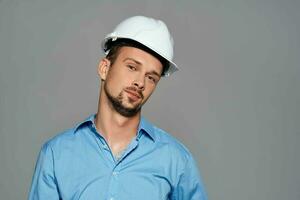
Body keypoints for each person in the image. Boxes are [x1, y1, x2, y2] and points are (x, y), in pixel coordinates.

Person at [29, 16, 208, 200]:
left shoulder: (176, 161)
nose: (140, 82)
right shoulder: (56, 154)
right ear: (104, 68)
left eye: (151, 77)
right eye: (132, 67)